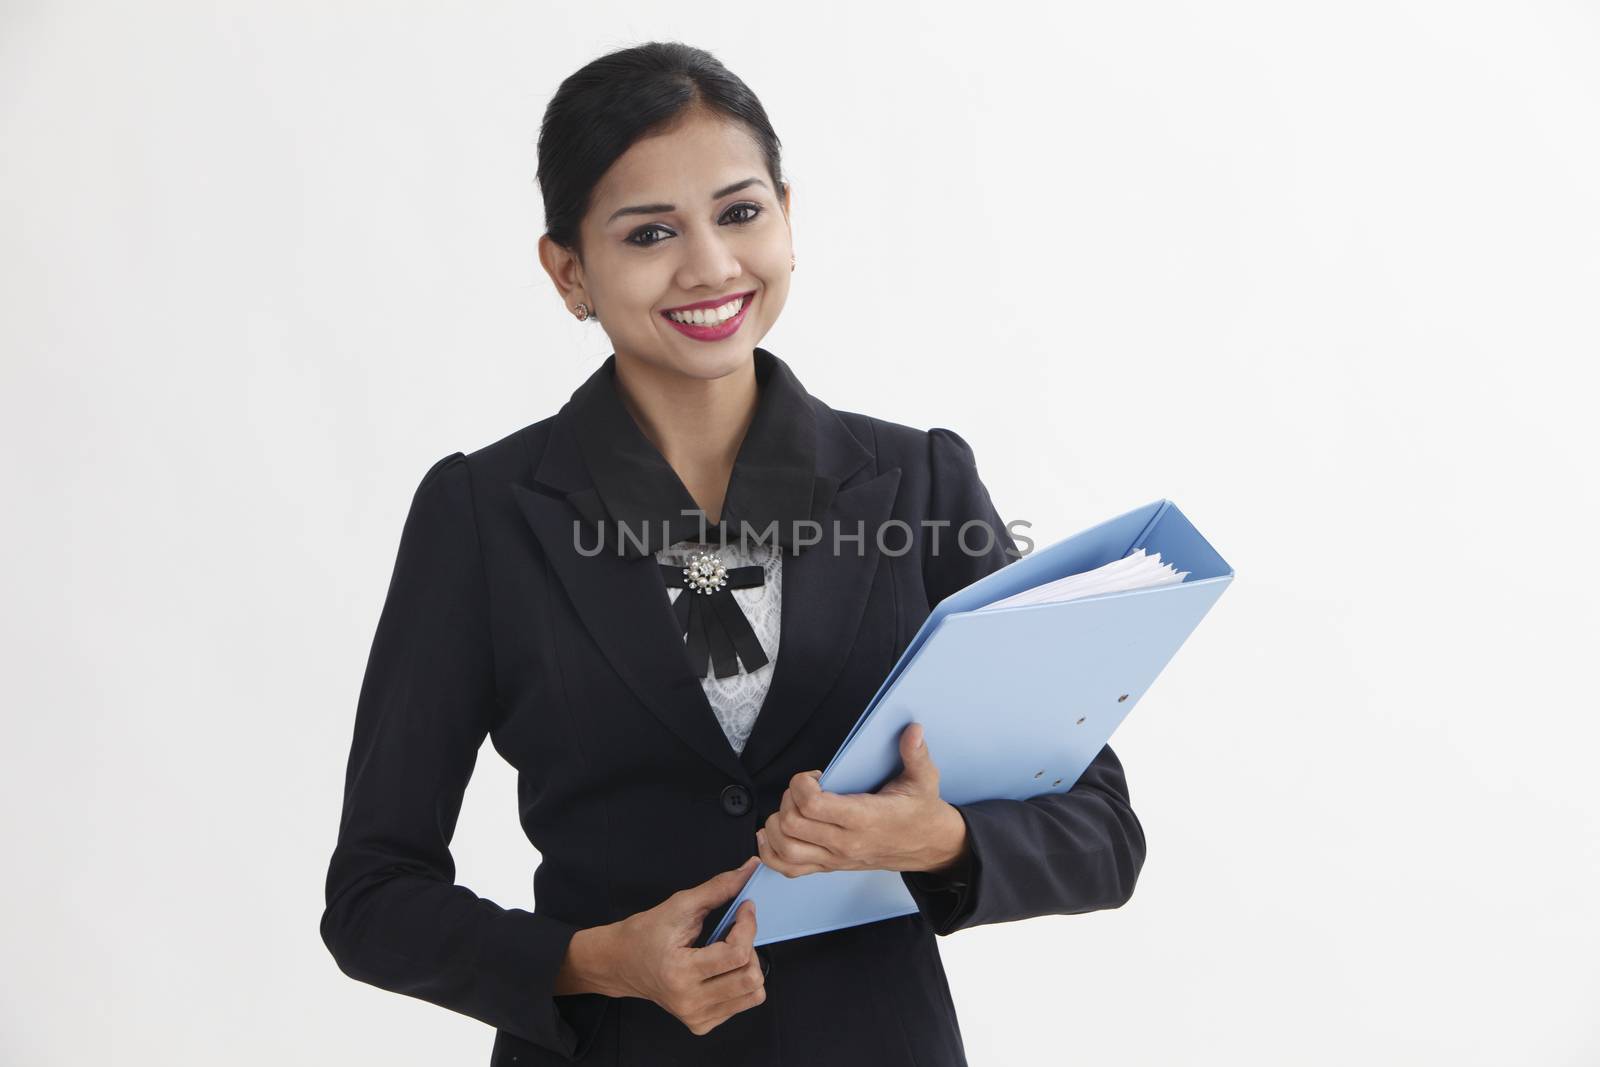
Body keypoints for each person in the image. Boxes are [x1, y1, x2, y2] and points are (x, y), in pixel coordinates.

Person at [319, 40, 1146, 1067]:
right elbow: (370, 897)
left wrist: (938, 840)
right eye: (650, 232)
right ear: (568, 269)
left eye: (740, 212)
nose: (709, 264)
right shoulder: (482, 514)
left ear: (788, 217)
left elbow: (1101, 833)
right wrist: (590, 959)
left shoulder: (921, 482)